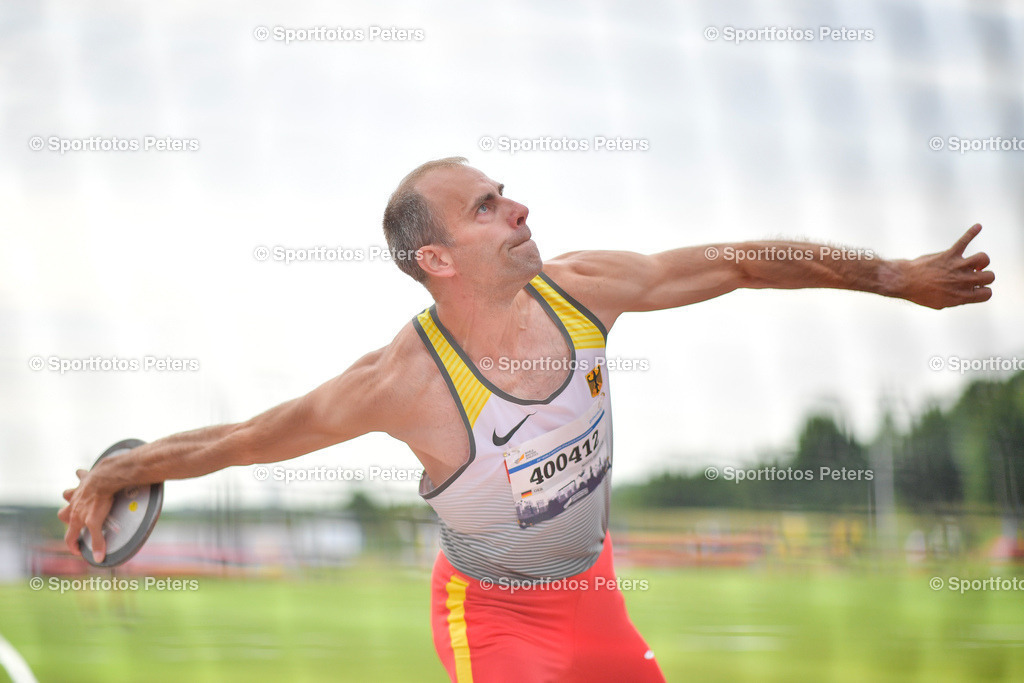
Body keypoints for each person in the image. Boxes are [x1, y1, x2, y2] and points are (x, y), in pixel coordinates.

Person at [59, 157, 995, 682]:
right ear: (437, 258)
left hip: (595, 593)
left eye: (505, 193)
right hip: (494, 615)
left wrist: (896, 276)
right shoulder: (405, 381)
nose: (520, 208)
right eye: (488, 206)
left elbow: (743, 258)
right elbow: (239, 440)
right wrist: (115, 473)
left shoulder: (585, 290)